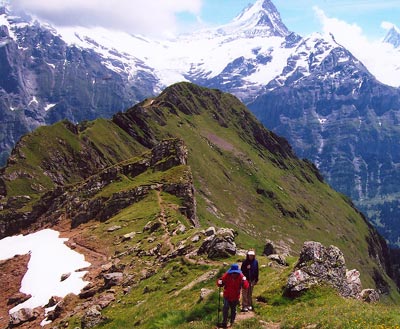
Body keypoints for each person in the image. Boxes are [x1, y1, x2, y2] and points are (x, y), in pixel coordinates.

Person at [217, 264, 249, 328]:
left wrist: (244, 282)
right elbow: (220, 282)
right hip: (227, 295)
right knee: (225, 308)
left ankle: (232, 321)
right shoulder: (227, 275)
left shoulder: (241, 276)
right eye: (233, 273)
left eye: (235, 273)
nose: (234, 274)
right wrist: (219, 283)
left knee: (233, 309)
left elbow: (246, 286)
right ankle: (224, 322)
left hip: (235, 296)